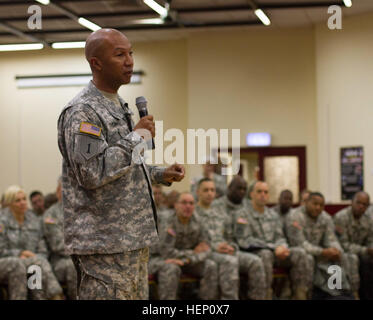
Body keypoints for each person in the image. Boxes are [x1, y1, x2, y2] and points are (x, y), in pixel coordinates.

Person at [57, 28, 184, 300]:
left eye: (130, 53)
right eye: (119, 55)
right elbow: (91, 172)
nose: (129, 61)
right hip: (104, 244)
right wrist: (136, 137)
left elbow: (123, 169)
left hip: (132, 239)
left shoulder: (119, 105)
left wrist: (161, 173)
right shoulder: (84, 111)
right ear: (96, 63)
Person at [234, 181, 310, 300]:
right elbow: (244, 240)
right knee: (266, 254)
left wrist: (283, 247)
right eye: (259, 192)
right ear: (252, 194)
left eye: (266, 192)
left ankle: (299, 294)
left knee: (300, 253)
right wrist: (274, 248)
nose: (263, 195)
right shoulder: (242, 214)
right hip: (256, 254)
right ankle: (265, 295)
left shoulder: (272, 215)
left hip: (276, 254)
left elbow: (280, 237)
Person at [0, 185, 63, 299]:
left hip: (31, 261)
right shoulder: (2, 221)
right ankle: (56, 295)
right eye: (17, 200)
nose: (23, 202)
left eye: (24, 199)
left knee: (35, 266)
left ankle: (39, 297)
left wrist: (33, 257)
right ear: (9, 203)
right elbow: (1, 249)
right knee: (21, 264)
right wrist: (20, 254)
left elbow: (42, 248)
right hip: (5, 262)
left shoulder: (33, 220)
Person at [286, 192, 353, 299]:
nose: (318, 207)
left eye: (321, 205)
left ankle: (339, 291)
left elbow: (331, 239)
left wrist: (336, 250)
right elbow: (299, 243)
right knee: (307, 257)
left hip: (319, 253)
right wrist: (322, 252)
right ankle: (303, 294)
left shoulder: (325, 217)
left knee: (342, 255)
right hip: (295, 253)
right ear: (306, 202)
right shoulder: (294, 216)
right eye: (315, 204)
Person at [212, 176, 267, 300]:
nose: (242, 192)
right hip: (220, 248)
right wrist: (219, 246)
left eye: (244, 189)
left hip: (241, 248)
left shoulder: (248, 207)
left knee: (257, 261)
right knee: (230, 262)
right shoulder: (216, 206)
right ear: (229, 188)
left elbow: (253, 233)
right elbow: (211, 232)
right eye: (239, 188)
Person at [160, 192, 218, 300]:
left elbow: (207, 249)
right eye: (184, 203)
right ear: (176, 205)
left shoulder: (199, 221)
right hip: (165, 260)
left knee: (211, 266)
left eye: (191, 203)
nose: (188, 206)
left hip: (189, 262)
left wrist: (187, 259)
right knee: (171, 269)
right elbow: (166, 252)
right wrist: (192, 253)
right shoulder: (167, 222)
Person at [195, 178, 240, 299]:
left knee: (253, 260)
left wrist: (231, 247)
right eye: (206, 190)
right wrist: (216, 247)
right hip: (205, 253)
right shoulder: (193, 213)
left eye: (212, 190)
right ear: (198, 192)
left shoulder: (221, 213)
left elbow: (230, 236)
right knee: (229, 261)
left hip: (224, 250)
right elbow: (194, 242)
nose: (210, 193)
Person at [42, 178, 77, 300]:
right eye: (67, 187)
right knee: (74, 266)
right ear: (58, 191)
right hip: (60, 261)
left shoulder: (82, 210)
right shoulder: (50, 215)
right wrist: (81, 250)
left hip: (82, 255)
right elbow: (57, 244)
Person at [334, 191, 373, 299]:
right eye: (358, 203)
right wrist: (366, 250)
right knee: (355, 259)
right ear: (352, 202)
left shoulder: (368, 219)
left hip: (362, 253)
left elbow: (370, 239)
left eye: (364, 205)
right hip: (344, 253)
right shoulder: (341, 217)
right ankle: (355, 295)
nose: (361, 206)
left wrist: (370, 249)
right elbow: (343, 244)